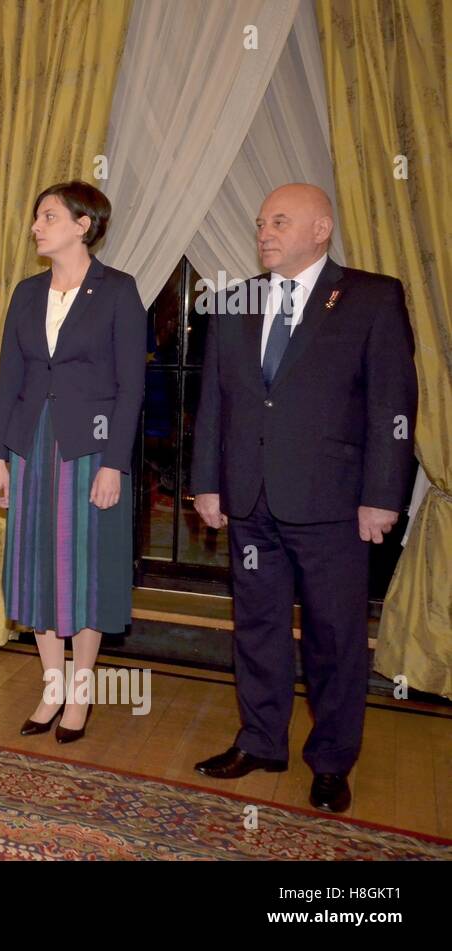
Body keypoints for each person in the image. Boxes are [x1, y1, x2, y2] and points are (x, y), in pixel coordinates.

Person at [190, 183, 418, 813]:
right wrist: (207, 482)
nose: (265, 232)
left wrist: (382, 495)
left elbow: (392, 404)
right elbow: (215, 401)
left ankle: (332, 760)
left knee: (335, 637)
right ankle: (261, 740)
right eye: (261, 222)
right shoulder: (234, 302)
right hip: (251, 501)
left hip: (334, 505)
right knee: (257, 628)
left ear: (321, 229)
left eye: (280, 221)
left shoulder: (371, 297)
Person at [0, 181, 146, 743]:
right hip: (30, 445)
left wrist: (115, 464)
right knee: (36, 568)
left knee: (82, 570)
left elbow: (131, 388)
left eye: (48, 215)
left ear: (84, 225)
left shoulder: (118, 291)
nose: (37, 225)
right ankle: (50, 686)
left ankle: (81, 694)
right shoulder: (27, 293)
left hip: (90, 449)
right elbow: (9, 378)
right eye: (37, 215)